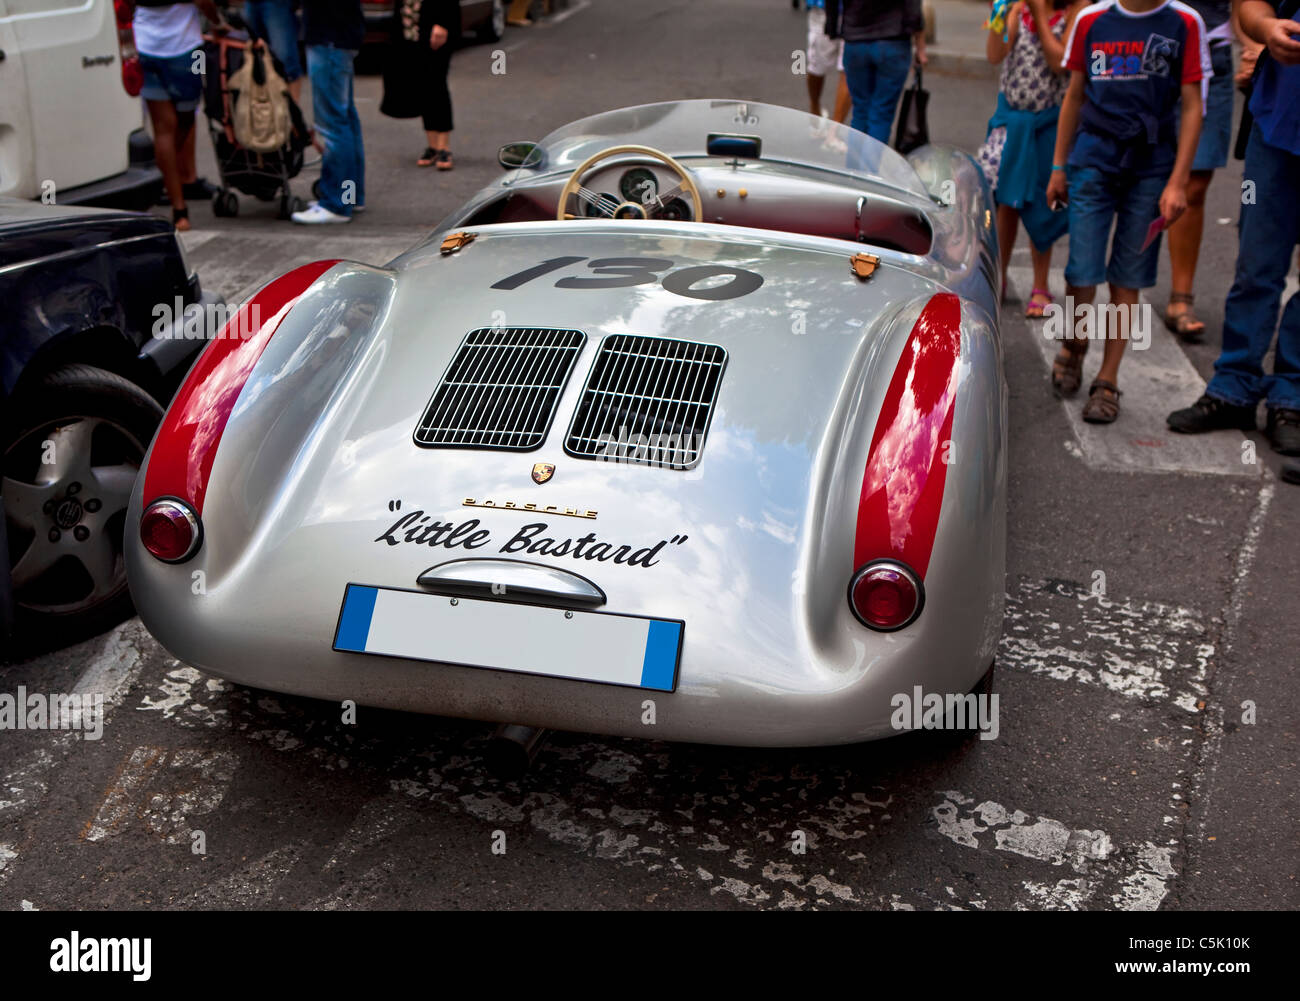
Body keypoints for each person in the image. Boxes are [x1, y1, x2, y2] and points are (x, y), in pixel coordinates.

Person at [1044, 0, 1208, 424]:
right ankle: (1075, 345)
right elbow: (1075, 95)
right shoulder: (1092, 20)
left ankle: (1108, 378)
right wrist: (1059, 166)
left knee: (1128, 278)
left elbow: (1193, 105)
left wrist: (1177, 181)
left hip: (1151, 170)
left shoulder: (1185, 23)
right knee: (1081, 270)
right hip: (1092, 161)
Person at [1166, 0, 1300, 455]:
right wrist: (1266, 28)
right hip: (1277, 122)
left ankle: (1292, 398)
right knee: (1256, 262)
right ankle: (1234, 388)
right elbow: (1249, 6)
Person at [979, 0, 1085, 316]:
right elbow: (995, 54)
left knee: (1044, 204)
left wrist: (1039, 14)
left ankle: (1040, 285)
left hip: (1050, 123)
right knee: (1006, 202)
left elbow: (1059, 63)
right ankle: (998, 277)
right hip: (1013, 121)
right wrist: (999, 15)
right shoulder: (1018, 11)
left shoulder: (1076, 13)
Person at [1162, 2, 1260, 338]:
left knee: (1194, 183)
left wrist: (1254, 47)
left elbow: (1242, 6)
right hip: (1152, 51)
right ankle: (1120, 284)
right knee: (1135, 175)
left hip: (1212, 55)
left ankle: (1181, 296)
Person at [130, 0, 229, 231]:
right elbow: (205, 2)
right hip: (189, 51)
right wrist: (218, 22)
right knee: (187, 114)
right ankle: (176, 191)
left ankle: (179, 207)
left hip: (144, 46)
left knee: (163, 129)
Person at [292, 0, 365, 223]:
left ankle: (337, 203)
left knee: (334, 123)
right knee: (344, 120)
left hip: (329, 38)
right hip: (338, 36)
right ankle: (350, 196)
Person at [826, 0, 927, 143]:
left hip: (855, 39)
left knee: (860, 110)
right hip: (893, 39)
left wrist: (832, 27)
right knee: (881, 113)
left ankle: (854, 164)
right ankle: (870, 164)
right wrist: (920, 45)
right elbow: (913, 8)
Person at [381, 0, 459, 169]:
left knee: (437, 85)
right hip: (409, 29)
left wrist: (443, 23)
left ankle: (444, 147)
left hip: (435, 29)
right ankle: (432, 146)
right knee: (423, 87)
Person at [241, 0, 305, 103]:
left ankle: (292, 113)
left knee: (285, 60)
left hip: (277, 3)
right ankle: (268, 111)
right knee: (255, 59)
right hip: (251, 3)